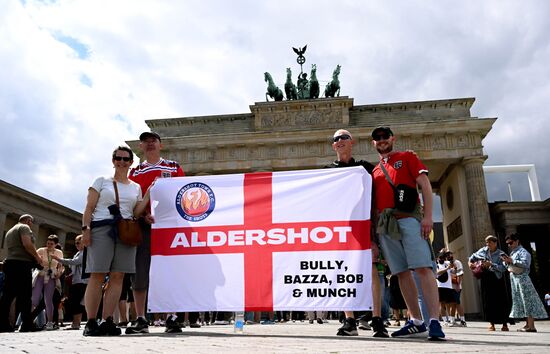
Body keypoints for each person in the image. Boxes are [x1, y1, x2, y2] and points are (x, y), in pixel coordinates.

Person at [370, 126, 445, 340]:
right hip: (386, 225)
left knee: (422, 268)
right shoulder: (375, 171)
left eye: (385, 136)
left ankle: (435, 321)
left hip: (410, 220)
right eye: (377, 138)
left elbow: (424, 185)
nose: (382, 140)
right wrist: (375, 235)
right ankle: (416, 321)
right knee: (401, 272)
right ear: (373, 143)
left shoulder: (407, 157)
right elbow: (375, 205)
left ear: (393, 138)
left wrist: (428, 217)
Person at [81, 146, 151, 336]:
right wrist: (85, 229)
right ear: (113, 161)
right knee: (98, 274)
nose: (122, 162)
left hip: (126, 230)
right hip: (102, 228)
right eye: (118, 158)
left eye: (125, 159)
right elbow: (89, 208)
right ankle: (91, 321)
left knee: (118, 276)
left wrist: (148, 195)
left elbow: (135, 213)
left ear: (131, 162)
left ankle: (107, 320)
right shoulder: (101, 181)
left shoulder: (136, 187)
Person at [326, 129, 388, 338]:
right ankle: (350, 320)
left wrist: (375, 233)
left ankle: (377, 319)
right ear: (333, 146)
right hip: (339, 230)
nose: (340, 141)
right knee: (342, 272)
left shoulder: (366, 168)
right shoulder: (327, 171)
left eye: (344, 137)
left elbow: (381, 191)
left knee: (371, 271)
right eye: (336, 139)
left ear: (351, 142)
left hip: (363, 227)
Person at [125, 131, 189, 335]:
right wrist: (144, 215)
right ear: (140, 147)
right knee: (140, 271)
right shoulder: (134, 172)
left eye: (154, 140)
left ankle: (172, 316)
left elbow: (184, 193)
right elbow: (132, 200)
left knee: (170, 271)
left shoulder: (173, 167)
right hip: (144, 226)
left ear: (161, 145)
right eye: (145, 141)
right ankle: (141, 318)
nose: (150, 143)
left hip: (169, 225)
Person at [0, 214, 43, 332]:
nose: (32, 225)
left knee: (7, 296)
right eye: (31, 222)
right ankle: (26, 324)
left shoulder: (10, 230)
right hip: (21, 265)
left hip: (10, 263)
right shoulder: (24, 228)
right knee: (25, 296)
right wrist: (37, 257)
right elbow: (27, 244)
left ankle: (3, 323)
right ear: (28, 221)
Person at [501, 234, 547, 332]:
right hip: (516, 280)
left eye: (511, 243)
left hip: (523, 280)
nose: (509, 245)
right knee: (522, 302)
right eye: (508, 244)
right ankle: (527, 325)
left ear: (517, 241)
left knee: (528, 302)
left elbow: (526, 264)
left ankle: (531, 326)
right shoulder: (513, 252)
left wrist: (512, 260)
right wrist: (506, 262)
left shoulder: (523, 252)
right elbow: (510, 266)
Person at [468, 235, 511, 331]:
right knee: (487, 301)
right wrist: (470, 263)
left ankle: (505, 324)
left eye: (490, 242)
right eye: (486, 242)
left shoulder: (501, 254)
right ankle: (492, 324)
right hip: (485, 278)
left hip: (497, 279)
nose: (488, 244)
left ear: (495, 243)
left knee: (500, 301)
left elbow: (504, 268)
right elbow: (472, 257)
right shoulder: (483, 250)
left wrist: (492, 264)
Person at [52, 234, 87, 330]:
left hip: (81, 281)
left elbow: (74, 262)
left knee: (76, 302)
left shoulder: (84, 252)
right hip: (77, 280)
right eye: (75, 243)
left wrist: (59, 259)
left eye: (78, 242)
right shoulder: (79, 252)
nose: (76, 244)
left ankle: (76, 323)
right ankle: (76, 323)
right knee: (76, 302)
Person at [31, 234, 64, 330]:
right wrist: (38, 260)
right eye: (48, 243)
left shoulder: (59, 252)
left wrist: (60, 273)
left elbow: (61, 265)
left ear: (56, 244)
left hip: (51, 276)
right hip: (41, 274)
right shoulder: (41, 250)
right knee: (34, 299)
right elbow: (33, 259)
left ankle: (50, 322)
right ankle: (28, 321)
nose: (49, 245)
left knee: (48, 300)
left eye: (51, 244)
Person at [435, 250, 455, 325]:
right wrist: (447, 269)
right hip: (440, 286)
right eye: (440, 257)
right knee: (442, 304)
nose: (442, 259)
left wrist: (452, 261)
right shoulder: (436, 264)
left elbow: (453, 270)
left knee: (451, 303)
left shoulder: (447, 263)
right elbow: (437, 272)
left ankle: (451, 319)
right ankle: (444, 321)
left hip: (449, 286)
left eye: (443, 257)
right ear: (437, 258)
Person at [447, 251, 466, 326]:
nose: (449, 256)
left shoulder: (457, 262)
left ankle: (462, 321)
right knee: (452, 304)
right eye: (447, 255)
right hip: (449, 286)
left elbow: (460, 273)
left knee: (457, 303)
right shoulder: (447, 263)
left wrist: (458, 284)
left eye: (450, 254)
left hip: (456, 286)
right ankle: (453, 320)